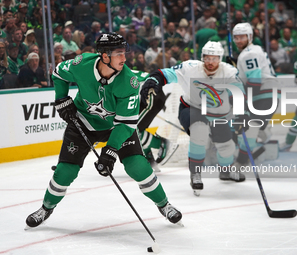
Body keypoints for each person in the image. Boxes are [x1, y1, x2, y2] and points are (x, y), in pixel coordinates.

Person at [25, 33, 182, 228]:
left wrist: (110, 150)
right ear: (104, 56)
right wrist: (61, 98)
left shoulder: (129, 82)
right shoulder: (81, 64)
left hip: (115, 127)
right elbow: (58, 73)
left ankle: (164, 205)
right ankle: (46, 208)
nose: (124, 59)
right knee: (66, 172)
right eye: (118, 54)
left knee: (137, 166)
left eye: (124, 53)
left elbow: (125, 124)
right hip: (83, 121)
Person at [139, 41, 248, 196]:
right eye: (207, 58)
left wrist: (242, 115)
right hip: (192, 108)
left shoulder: (229, 72)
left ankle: (226, 171)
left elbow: (240, 95)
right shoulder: (190, 68)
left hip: (218, 114)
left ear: (220, 58)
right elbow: (165, 74)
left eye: (215, 58)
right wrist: (154, 80)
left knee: (227, 147)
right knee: (199, 132)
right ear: (202, 57)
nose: (210, 62)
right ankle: (195, 173)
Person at [232, 23, 280, 169]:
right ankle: (262, 133)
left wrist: (243, 108)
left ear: (250, 37)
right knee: (244, 127)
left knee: (250, 127)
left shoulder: (248, 54)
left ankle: (241, 161)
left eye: (242, 37)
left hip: (264, 96)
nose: (239, 40)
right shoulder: (253, 50)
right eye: (236, 37)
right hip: (267, 95)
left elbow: (254, 83)